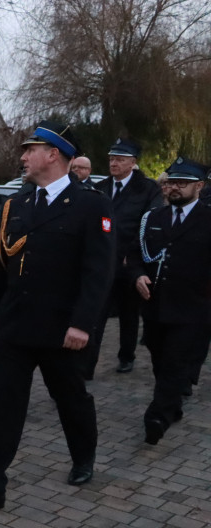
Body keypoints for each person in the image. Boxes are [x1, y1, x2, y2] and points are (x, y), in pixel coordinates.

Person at [0, 121, 115, 520]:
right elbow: (2, 268)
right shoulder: (19, 204)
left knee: (70, 398)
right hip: (14, 326)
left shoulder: (90, 204)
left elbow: (98, 272)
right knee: (2, 409)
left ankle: (83, 455)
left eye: (31, 150)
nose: (23, 156)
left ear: (54, 155)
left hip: (60, 328)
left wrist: (83, 324)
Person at [127, 157, 211, 444]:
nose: (174, 188)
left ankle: (157, 416)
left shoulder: (207, 218)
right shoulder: (153, 218)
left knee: (175, 361)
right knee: (160, 359)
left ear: (199, 186)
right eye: (171, 182)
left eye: (182, 183)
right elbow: (136, 254)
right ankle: (172, 405)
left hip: (193, 309)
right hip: (154, 305)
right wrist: (137, 275)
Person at [88, 139, 162, 376]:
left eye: (120, 159)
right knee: (97, 313)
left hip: (130, 263)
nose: (114, 163)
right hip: (103, 261)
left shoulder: (148, 189)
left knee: (129, 314)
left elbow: (148, 225)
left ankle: (126, 356)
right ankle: (87, 362)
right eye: (111, 159)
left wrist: (131, 256)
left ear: (133, 163)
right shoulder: (100, 187)